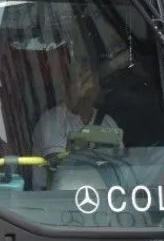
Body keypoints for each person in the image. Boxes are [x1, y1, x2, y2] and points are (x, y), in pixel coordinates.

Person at [31, 56, 119, 188]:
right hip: (55, 199)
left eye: (93, 79)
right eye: (82, 80)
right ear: (65, 88)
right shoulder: (52, 121)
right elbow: (60, 171)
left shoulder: (108, 122)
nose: (89, 85)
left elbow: (118, 168)